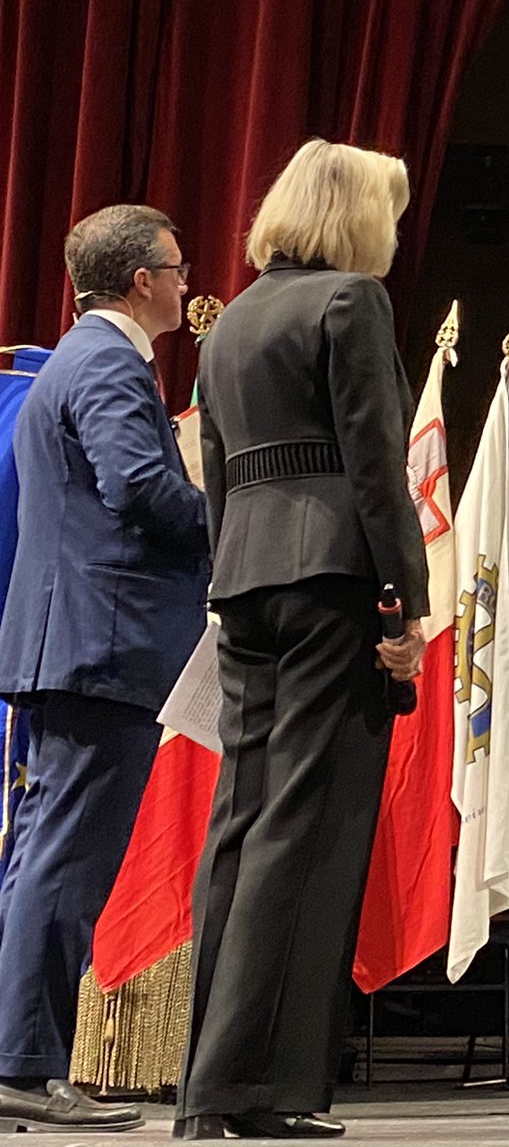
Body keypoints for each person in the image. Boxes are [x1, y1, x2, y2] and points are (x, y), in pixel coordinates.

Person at [177, 140, 427, 1142]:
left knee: (241, 821)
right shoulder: (351, 302)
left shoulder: (232, 320)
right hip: (330, 579)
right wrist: (402, 606)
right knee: (305, 825)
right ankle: (247, 1085)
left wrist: (226, 581)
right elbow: (376, 466)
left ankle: (216, 1088)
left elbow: (216, 471)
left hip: (244, 582)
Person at [0, 206, 209, 1133]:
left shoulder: (75, 360)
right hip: (103, 646)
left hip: (75, 644)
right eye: (178, 268)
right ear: (141, 281)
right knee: (66, 863)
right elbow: (139, 488)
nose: (187, 282)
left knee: (44, 857)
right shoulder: (111, 365)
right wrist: (237, 521)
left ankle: (18, 1056)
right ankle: (24, 1065)